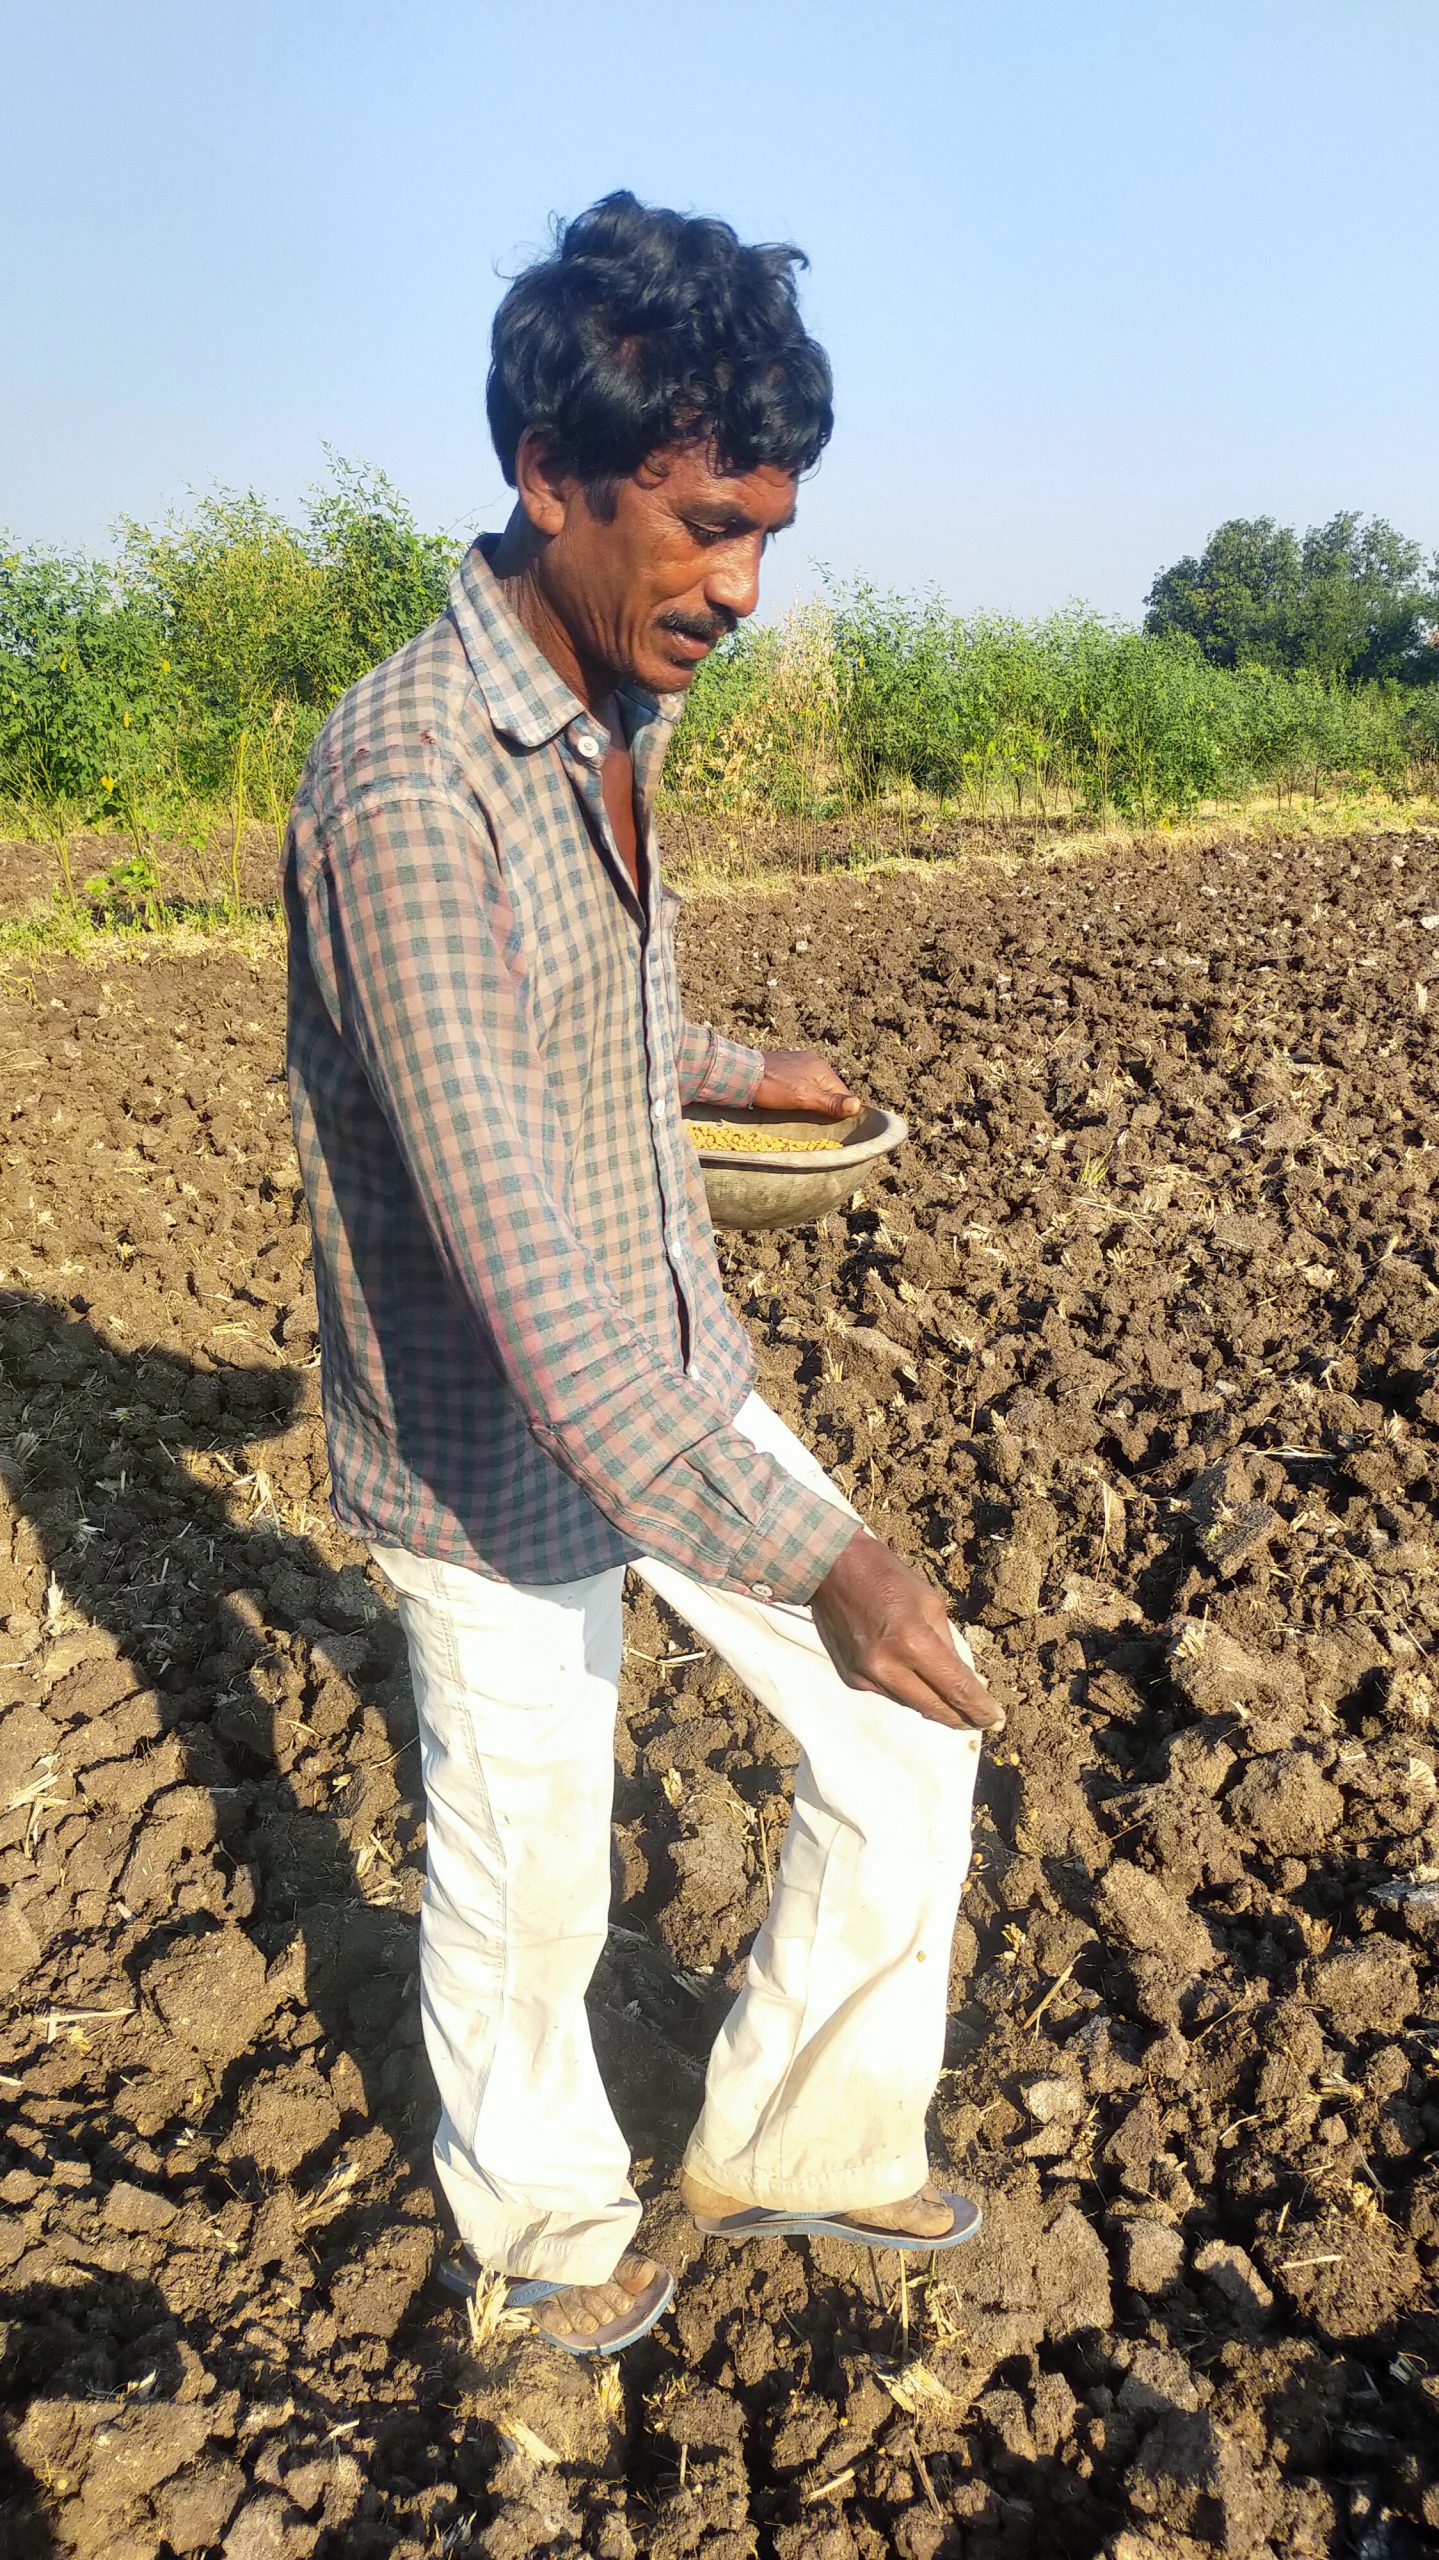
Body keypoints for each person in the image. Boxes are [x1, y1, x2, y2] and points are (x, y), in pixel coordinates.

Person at [283, 191, 1004, 2358]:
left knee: (905, 1744)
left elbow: (581, 1017)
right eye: (705, 525)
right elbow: (513, 1259)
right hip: (495, 1430)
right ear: (550, 479)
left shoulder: (613, 699)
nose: (743, 587)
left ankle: (798, 2137)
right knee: (531, 1885)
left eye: (770, 531)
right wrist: (835, 1550)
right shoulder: (411, 781)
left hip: (667, 1358)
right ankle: (545, 2231)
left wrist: (739, 1062)